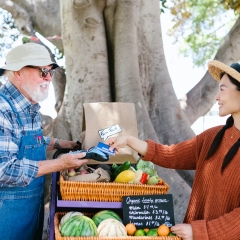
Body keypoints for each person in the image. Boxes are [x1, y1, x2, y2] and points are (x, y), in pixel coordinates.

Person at [106, 60, 240, 240]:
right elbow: (171, 155)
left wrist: (199, 232)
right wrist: (130, 141)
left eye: (222, 89)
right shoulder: (212, 137)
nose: (216, 97)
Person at [0, 43, 89, 240]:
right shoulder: (2, 108)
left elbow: (30, 141)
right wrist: (61, 163)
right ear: (17, 72)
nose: (48, 78)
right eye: (42, 72)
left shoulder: (29, 104)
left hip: (30, 210)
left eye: (50, 71)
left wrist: (62, 144)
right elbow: (4, 169)